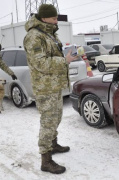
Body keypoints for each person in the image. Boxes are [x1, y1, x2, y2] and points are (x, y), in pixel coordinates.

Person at [23, 4, 79, 174]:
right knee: (48, 122)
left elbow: (53, 56)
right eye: (54, 18)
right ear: (44, 18)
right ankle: (45, 160)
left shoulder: (48, 33)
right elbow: (40, 63)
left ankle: (53, 145)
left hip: (54, 85)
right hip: (44, 88)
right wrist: (65, 61)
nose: (56, 21)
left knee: (56, 119)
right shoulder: (34, 37)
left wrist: (67, 55)